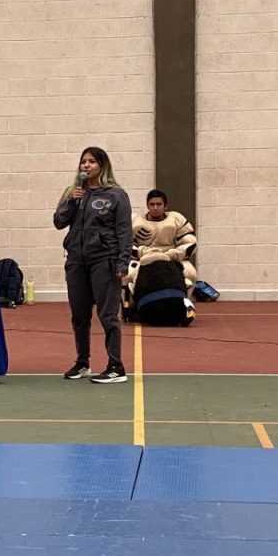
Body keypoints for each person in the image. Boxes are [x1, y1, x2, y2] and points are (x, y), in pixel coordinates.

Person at [54, 146, 133, 384]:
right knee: (79, 315)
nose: (86, 166)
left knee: (107, 315)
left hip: (104, 260)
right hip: (76, 261)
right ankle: (82, 362)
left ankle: (116, 366)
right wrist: (71, 202)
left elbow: (124, 231)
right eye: (83, 162)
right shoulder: (72, 192)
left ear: (102, 165)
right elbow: (58, 222)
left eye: (91, 162)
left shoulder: (116, 195)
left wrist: (123, 261)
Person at [129, 189, 198, 290]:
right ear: (147, 206)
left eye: (159, 204)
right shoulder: (135, 221)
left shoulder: (176, 219)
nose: (155, 208)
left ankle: (182, 298)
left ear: (165, 206)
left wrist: (174, 254)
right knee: (127, 275)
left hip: (172, 258)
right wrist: (143, 253)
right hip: (142, 258)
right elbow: (125, 245)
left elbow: (191, 243)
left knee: (190, 274)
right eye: (152, 204)